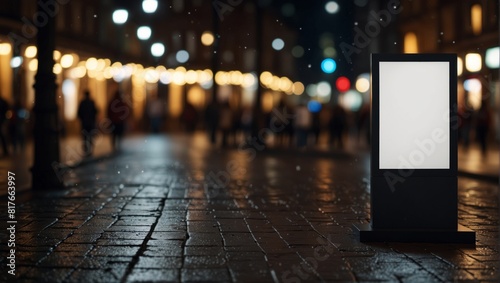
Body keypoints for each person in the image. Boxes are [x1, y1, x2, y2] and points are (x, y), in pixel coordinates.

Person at [77, 90, 98, 157]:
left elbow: (79, 113)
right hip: (90, 122)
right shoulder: (91, 102)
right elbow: (95, 111)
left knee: (85, 137)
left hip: (85, 122)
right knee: (90, 137)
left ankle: (86, 150)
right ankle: (89, 150)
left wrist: (82, 119)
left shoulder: (83, 103)